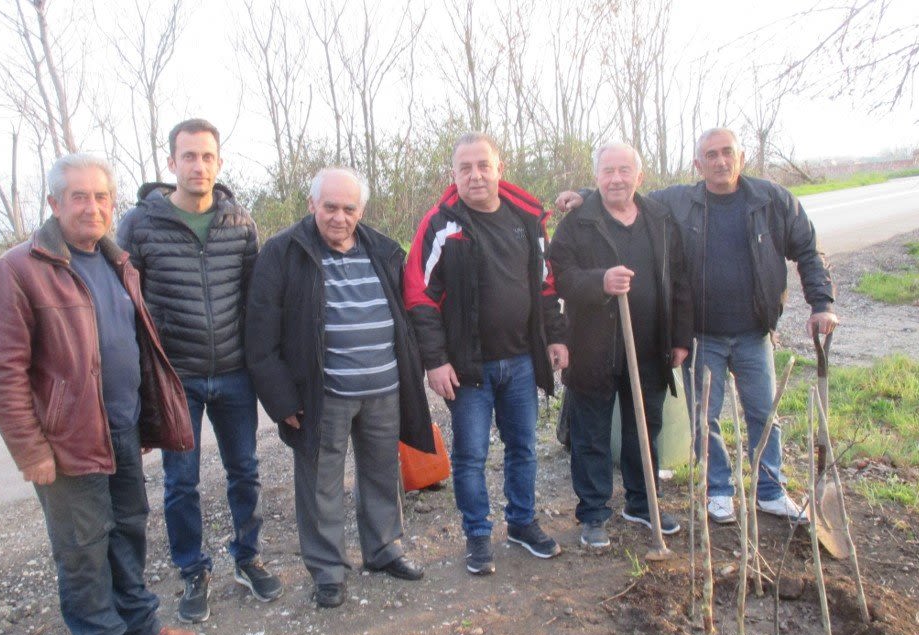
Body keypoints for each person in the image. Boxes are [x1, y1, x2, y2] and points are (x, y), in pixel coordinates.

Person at [0, 154, 197, 635]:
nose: (92, 207)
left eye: (101, 197)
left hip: (120, 429)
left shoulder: (117, 262)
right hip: (65, 442)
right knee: (82, 547)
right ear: (55, 203)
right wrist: (31, 450)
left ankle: (139, 623)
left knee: (129, 528)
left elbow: (129, 347)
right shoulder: (19, 269)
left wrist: (142, 419)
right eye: (79, 196)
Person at [556, 127, 837, 523]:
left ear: (741, 157)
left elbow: (806, 249)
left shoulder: (771, 200)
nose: (720, 161)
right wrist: (587, 196)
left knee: (763, 414)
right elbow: (615, 198)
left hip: (752, 332)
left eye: (727, 152)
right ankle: (716, 491)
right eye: (711, 155)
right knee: (705, 419)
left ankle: (770, 490)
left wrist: (821, 303)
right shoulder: (677, 202)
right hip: (700, 335)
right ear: (697, 164)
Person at [116, 119, 281, 622]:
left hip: (234, 372)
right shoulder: (139, 224)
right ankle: (192, 570)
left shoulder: (239, 222)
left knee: (245, 470)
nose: (199, 166)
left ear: (219, 162)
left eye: (207, 156)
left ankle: (248, 558)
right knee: (181, 481)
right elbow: (127, 305)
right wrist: (139, 381)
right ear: (171, 162)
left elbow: (256, 298)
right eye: (188, 156)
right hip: (176, 377)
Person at [246, 167, 433, 608]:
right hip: (321, 394)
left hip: (384, 387)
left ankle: (384, 549)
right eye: (330, 207)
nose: (339, 217)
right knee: (320, 485)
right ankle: (328, 571)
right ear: (312, 204)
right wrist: (281, 400)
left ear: (361, 211)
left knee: (382, 473)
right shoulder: (282, 252)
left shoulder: (383, 249)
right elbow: (259, 334)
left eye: (349, 208)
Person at [404, 132, 568, 575]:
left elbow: (546, 285)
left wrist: (555, 337)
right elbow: (419, 296)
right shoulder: (441, 225)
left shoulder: (527, 220)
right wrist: (435, 361)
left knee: (523, 448)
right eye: (465, 168)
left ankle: (522, 523)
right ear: (454, 174)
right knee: (470, 456)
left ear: (499, 168)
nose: (475, 175)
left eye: (483, 166)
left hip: (521, 360)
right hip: (466, 368)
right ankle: (477, 535)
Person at [548, 142, 692, 548]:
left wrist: (680, 338)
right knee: (591, 434)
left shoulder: (660, 219)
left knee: (644, 429)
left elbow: (679, 280)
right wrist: (600, 282)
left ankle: (642, 503)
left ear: (638, 176)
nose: (616, 179)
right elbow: (559, 276)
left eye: (624, 171)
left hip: (650, 347)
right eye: (608, 171)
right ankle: (593, 513)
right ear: (596, 177)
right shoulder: (578, 223)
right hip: (591, 348)